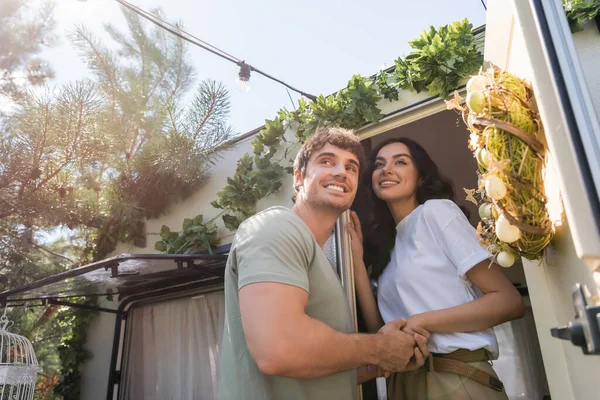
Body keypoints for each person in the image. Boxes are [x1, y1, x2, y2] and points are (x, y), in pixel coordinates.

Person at [217, 127, 431, 400]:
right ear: (298, 178)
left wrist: (385, 360)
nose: (341, 172)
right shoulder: (275, 226)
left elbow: (313, 367)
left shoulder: (325, 265)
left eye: (351, 168)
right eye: (327, 161)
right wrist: (379, 347)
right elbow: (278, 349)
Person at [347, 137, 525, 399]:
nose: (386, 170)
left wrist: (419, 322)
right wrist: (357, 262)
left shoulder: (435, 212)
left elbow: (509, 302)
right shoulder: (392, 247)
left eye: (400, 162)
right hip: (404, 383)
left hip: (454, 376)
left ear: (420, 177)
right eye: (379, 164)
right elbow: (382, 332)